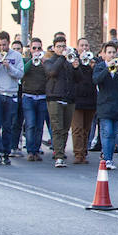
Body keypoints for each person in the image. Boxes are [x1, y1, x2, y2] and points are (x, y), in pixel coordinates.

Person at [0, 31, 24, 165]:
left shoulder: (16, 56)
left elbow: (20, 74)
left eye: (4, 45)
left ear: (9, 43)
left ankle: (6, 153)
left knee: (8, 126)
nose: (2, 48)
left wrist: (9, 67)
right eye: (0, 45)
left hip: (10, 94)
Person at [44, 36, 82, 168]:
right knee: (57, 128)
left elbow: (79, 79)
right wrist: (62, 58)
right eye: (59, 47)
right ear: (54, 48)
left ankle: (61, 151)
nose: (61, 49)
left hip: (69, 98)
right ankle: (59, 156)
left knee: (65, 129)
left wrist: (76, 68)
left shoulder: (69, 61)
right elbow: (52, 72)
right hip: (54, 98)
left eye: (63, 46)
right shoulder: (50, 61)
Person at [92, 42, 118, 170]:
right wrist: (108, 69)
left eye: (114, 53)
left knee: (113, 134)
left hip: (117, 106)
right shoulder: (100, 67)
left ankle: (109, 158)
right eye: (109, 53)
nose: (112, 55)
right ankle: (107, 159)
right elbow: (96, 80)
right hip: (104, 106)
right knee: (107, 133)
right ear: (104, 55)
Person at [71, 38, 97, 164]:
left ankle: (84, 152)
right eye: (82, 45)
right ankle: (78, 153)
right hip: (77, 99)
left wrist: (93, 67)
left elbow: (96, 79)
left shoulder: (93, 62)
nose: (84, 48)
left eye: (86, 45)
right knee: (77, 129)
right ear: (77, 48)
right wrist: (78, 65)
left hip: (90, 99)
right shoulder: (74, 61)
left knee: (87, 129)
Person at [22, 38, 47, 162]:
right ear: (30, 50)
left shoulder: (44, 62)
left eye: (39, 48)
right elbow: (22, 72)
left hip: (42, 97)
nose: (37, 50)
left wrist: (44, 63)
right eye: (34, 48)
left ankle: (36, 150)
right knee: (30, 124)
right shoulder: (26, 61)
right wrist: (32, 61)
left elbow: (50, 74)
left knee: (39, 126)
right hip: (29, 97)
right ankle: (30, 151)